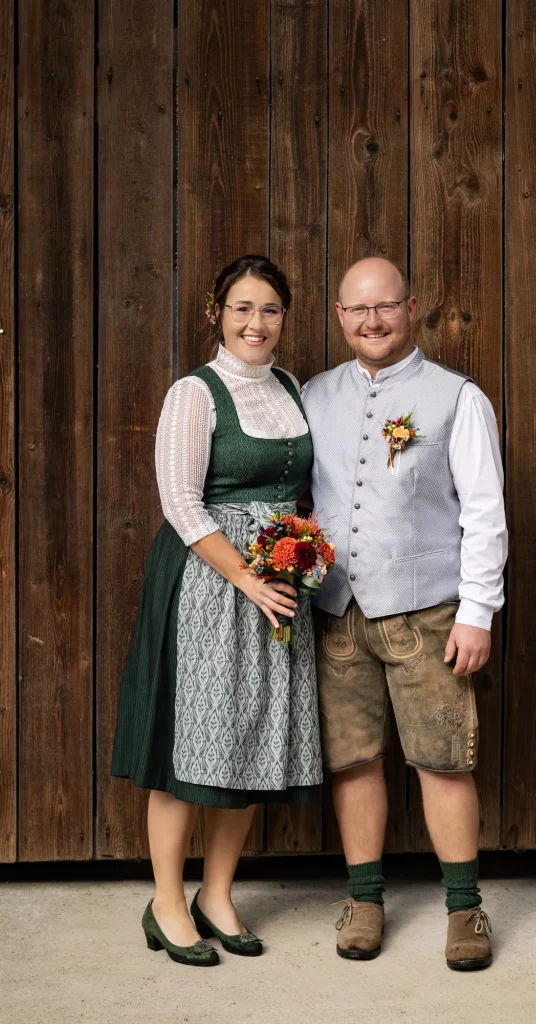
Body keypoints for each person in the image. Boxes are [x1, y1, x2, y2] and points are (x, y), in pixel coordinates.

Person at [112, 255, 322, 967]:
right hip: (209, 581)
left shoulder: (291, 388)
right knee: (186, 746)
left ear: (284, 317)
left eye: (270, 309)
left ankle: (218, 894)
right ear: (217, 313)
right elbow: (179, 501)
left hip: (276, 579)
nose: (256, 323)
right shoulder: (194, 394)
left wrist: (296, 557)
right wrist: (247, 578)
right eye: (242, 308)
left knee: (251, 735)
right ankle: (167, 903)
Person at [301, 257, 507, 971]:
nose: (373, 321)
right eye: (358, 309)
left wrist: (478, 611)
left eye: (385, 306)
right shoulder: (314, 394)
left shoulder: (457, 397)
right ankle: (364, 901)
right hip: (337, 612)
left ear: (411, 307)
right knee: (353, 761)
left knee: (443, 761)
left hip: (428, 616)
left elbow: (485, 512)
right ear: (339, 315)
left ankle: (464, 908)